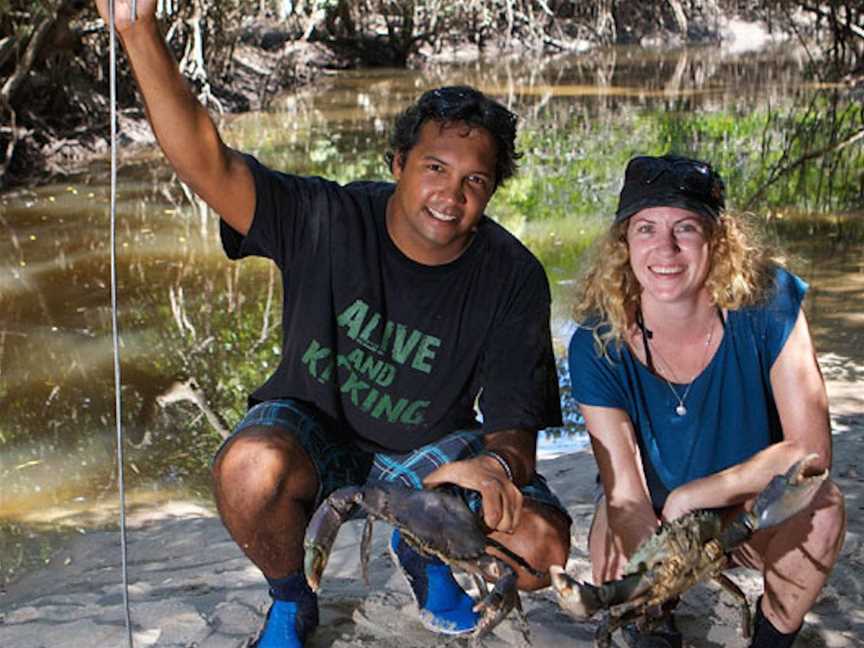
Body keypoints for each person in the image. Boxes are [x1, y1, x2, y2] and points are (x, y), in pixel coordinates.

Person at [97, 2, 572, 646]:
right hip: (314, 434)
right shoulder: (324, 215)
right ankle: (293, 598)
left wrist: (496, 470)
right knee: (248, 468)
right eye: (435, 168)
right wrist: (136, 29)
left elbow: (515, 429)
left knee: (541, 546)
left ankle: (427, 557)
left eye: (474, 181)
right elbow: (206, 162)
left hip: (425, 464)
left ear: (489, 193)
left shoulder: (512, 275)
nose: (450, 195)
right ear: (400, 161)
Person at [567, 154, 846, 648]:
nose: (665, 249)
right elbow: (627, 494)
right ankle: (652, 622)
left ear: (718, 240)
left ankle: (774, 633)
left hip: (747, 508)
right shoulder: (596, 341)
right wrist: (648, 569)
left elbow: (812, 452)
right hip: (651, 512)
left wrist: (690, 498)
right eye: (646, 228)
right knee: (611, 550)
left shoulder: (769, 301)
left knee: (823, 507)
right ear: (623, 244)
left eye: (686, 228)